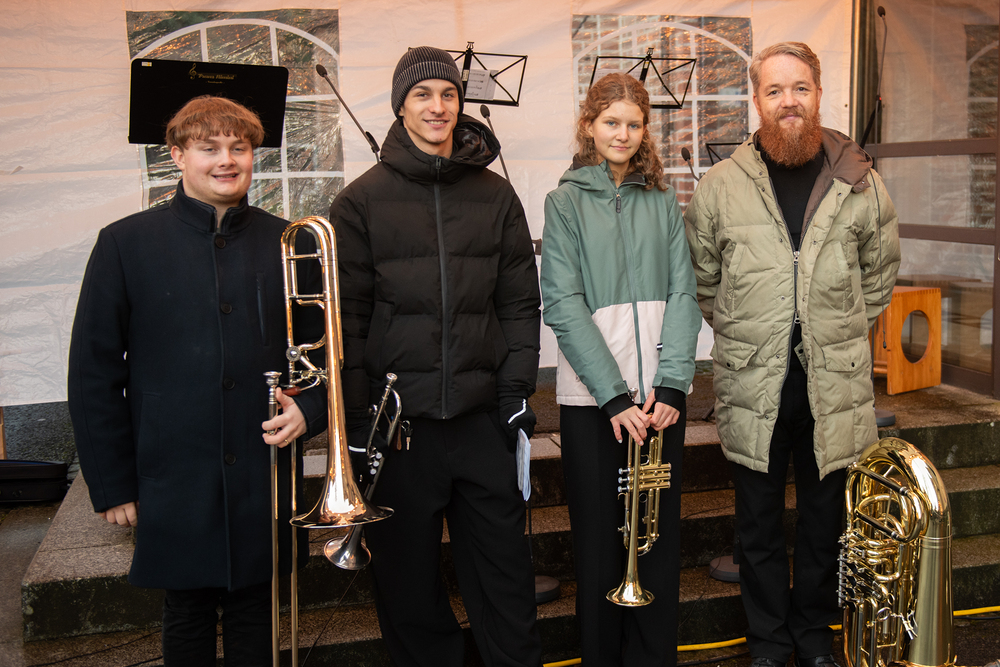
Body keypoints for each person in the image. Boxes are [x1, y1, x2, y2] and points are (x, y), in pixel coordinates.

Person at [67, 95, 327, 666]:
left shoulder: (293, 242)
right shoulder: (124, 243)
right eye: (209, 148)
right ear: (178, 155)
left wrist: (313, 409)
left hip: (264, 467)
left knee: (259, 608)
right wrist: (112, 483)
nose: (226, 160)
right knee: (186, 610)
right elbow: (93, 372)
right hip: (173, 466)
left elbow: (328, 354)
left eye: (239, 148)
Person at [684, 42, 900, 667]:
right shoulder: (720, 186)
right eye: (774, 90)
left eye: (800, 88)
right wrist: (751, 332)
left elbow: (880, 272)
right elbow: (703, 280)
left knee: (823, 524)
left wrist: (839, 329)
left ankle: (812, 637)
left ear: (819, 93)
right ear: (756, 100)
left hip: (833, 383)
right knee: (756, 525)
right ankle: (769, 644)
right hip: (755, 383)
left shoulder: (860, 180)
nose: (789, 102)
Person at [328, 46, 543, 667]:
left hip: (480, 421)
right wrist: (357, 423)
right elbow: (349, 321)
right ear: (400, 106)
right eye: (422, 94)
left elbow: (519, 305)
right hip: (399, 429)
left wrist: (513, 394)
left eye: (448, 94)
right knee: (408, 589)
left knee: (506, 580)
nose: (438, 106)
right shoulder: (359, 201)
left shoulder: (497, 197)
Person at [540, 72, 701, 666]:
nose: (623, 134)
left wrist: (674, 383)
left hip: (659, 400)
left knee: (656, 544)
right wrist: (612, 396)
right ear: (589, 125)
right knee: (599, 545)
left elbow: (684, 293)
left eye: (634, 124)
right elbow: (562, 302)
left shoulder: (662, 200)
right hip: (595, 403)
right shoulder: (563, 202)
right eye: (611, 122)